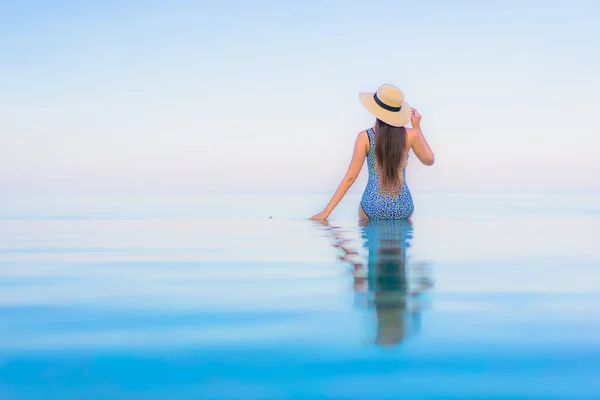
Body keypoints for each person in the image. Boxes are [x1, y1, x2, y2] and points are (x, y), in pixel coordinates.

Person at [310, 84, 435, 221]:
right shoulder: (411, 135)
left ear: (376, 110)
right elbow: (429, 160)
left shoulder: (365, 137)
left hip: (372, 207)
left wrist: (326, 212)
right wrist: (417, 127)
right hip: (403, 207)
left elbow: (350, 178)